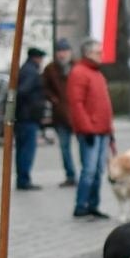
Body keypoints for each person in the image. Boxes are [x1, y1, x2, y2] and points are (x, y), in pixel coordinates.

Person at [67, 38, 115, 219]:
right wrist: (86, 128)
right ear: (88, 53)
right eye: (98, 52)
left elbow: (105, 105)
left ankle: (93, 205)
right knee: (89, 170)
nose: (101, 55)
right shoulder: (79, 72)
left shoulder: (97, 73)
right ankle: (81, 205)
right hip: (91, 131)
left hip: (102, 130)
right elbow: (76, 104)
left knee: (98, 170)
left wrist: (110, 130)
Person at [41, 38, 77, 187]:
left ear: (70, 52)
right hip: (61, 114)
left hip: (77, 114)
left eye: (65, 51)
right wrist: (53, 99)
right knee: (64, 147)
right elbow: (44, 87)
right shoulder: (50, 69)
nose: (62, 54)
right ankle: (70, 175)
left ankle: (86, 175)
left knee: (83, 147)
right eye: (60, 51)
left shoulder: (77, 67)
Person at [13, 46, 47, 190]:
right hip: (28, 117)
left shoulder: (24, 69)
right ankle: (24, 180)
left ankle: (22, 179)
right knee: (27, 150)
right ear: (37, 58)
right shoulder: (31, 72)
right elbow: (22, 92)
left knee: (22, 149)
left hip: (22, 116)